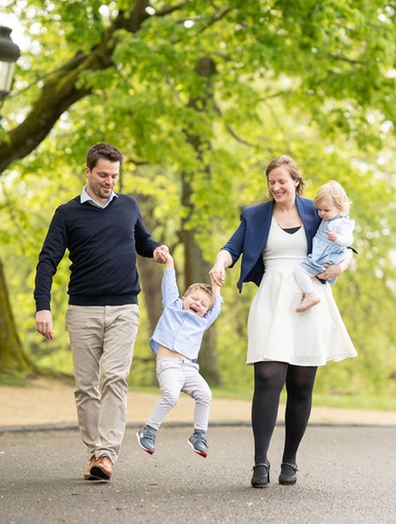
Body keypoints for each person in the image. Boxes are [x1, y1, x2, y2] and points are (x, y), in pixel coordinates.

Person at [208, 155, 357, 488]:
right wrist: (220, 264)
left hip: (310, 296)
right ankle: (260, 462)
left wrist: (341, 267)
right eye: (271, 182)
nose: (276, 187)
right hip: (273, 298)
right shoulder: (255, 215)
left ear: (296, 182)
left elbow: (347, 243)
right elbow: (231, 248)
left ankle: (290, 461)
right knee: (267, 375)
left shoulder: (315, 210)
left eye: (282, 181)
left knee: (302, 383)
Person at [33, 142, 169, 482]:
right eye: (104, 175)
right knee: (86, 387)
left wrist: (155, 250)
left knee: (114, 378)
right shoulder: (67, 214)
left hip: (124, 307)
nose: (110, 182)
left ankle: (107, 454)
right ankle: (95, 452)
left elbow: (142, 240)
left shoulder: (128, 206)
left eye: (115, 176)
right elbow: (47, 261)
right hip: (83, 311)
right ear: (88, 172)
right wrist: (42, 307)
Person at [136, 252, 223, 458]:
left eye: (203, 304)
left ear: (205, 312)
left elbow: (216, 306)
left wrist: (216, 283)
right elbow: (169, 283)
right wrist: (169, 261)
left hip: (189, 368)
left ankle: (199, 435)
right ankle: (148, 430)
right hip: (169, 365)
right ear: (184, 298)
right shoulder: (172, 307)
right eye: (194, 298)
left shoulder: (202, 322)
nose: (198, 304)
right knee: (171, 396)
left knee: (205, 395)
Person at [293, 180, 355, 312]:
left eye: (326, 210)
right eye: (319, 209)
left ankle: (310, 294)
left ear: (340, 207)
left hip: (326, 256)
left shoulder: (340, 223)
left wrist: (337, 238)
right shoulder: (329, 219)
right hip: (322, 253)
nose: (321, 213)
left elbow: (349, 240)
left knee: (300, 271)